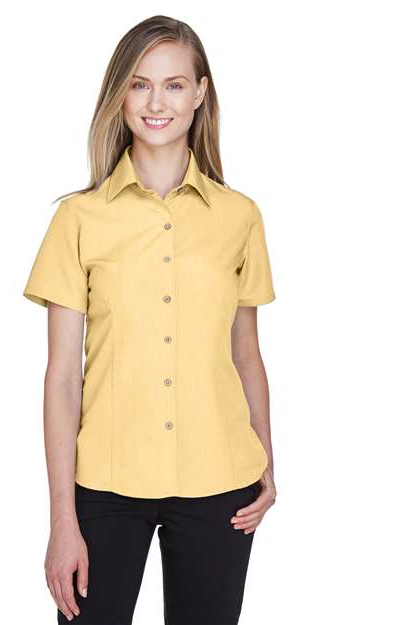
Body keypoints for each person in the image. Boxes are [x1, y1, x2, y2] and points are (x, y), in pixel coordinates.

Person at [23, 14, 277, 625]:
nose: (156, 102)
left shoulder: (239, 217)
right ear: (120, 95)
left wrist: (268, 463)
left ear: (200, 93)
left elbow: (245, 354)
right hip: (106, 484)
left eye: (173, 85)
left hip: (221, 479)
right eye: (139, 84)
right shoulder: (78, 220)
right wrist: (62, 520)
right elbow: (63, 378)